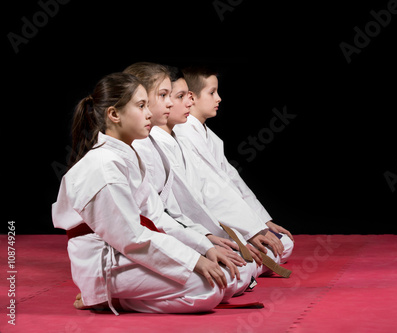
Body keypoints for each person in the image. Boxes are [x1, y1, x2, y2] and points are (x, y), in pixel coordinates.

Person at [52, 72, 241, 315]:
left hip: (128, 251)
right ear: (114, 114)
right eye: (141, 106)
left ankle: (121, 296)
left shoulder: (128, 156)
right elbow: (132, 238)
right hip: (106, 262)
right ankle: (108, 298)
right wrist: (192, 260)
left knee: (228, 278)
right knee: (209, 289)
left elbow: (157, 218)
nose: (149, 113)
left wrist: (204, 247)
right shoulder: (103, 166)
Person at [149, 65, 291, 277]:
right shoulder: (170, 137)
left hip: (202, 226)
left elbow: (229, 182)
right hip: (180, 232)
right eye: (212, 92)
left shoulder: (190, 137)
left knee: (279, 245)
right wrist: (216, 237)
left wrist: (260, 222)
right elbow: (195, 199)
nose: (219, 98)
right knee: (241, 267)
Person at [124, 62, 257, 275]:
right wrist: (200, 247)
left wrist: (207, 238)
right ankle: (111, 292)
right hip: (134, 249)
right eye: (165, 96)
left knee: (240, 268)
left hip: (172, 232)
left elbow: (174, 208)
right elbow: (149, 219)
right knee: (229, 277)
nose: (171, 104)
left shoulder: (157, 143)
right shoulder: (134, 150)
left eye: (172, 96)